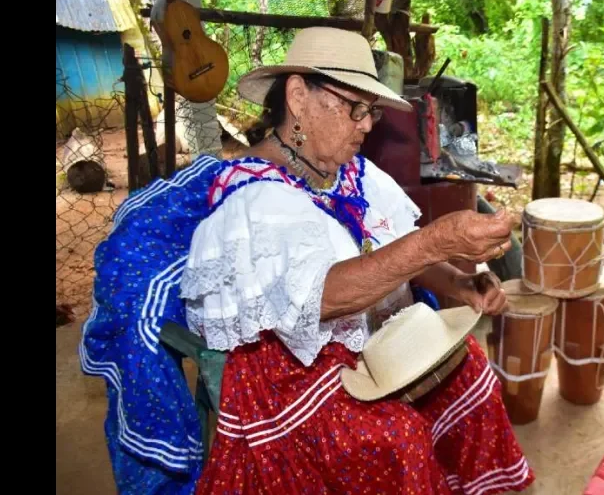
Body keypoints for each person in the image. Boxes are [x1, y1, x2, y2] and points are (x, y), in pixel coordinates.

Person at [82, 26, 534, 494]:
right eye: (355, 108)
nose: (367, 125)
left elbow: (396, 246)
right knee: (394, 439)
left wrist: (459, 284)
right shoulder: (252, 196)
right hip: (289, 369)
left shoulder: (353, 172)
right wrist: (437, 242)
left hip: (371, 343)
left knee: (472, 374)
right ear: (298, 97)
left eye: (372, 111)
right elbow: (319, 298)